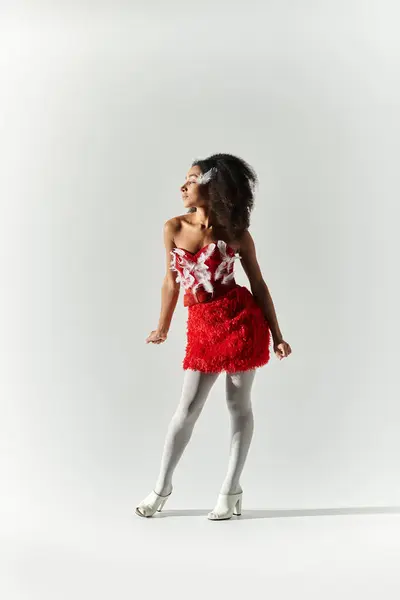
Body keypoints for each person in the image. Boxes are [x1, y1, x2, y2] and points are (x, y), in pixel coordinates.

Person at [135, 153, 291, 520]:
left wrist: (277, 335)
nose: (183, 186)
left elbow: (258, 283)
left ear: (211, 185)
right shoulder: (173, 227)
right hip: (202, 328)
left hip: (241, 322)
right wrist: (163, 326)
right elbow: (171, 281)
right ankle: (161, 488)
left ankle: (231, 489)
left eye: (190, 179)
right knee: (187, 410)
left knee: (238, 405)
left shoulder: (235, 232)